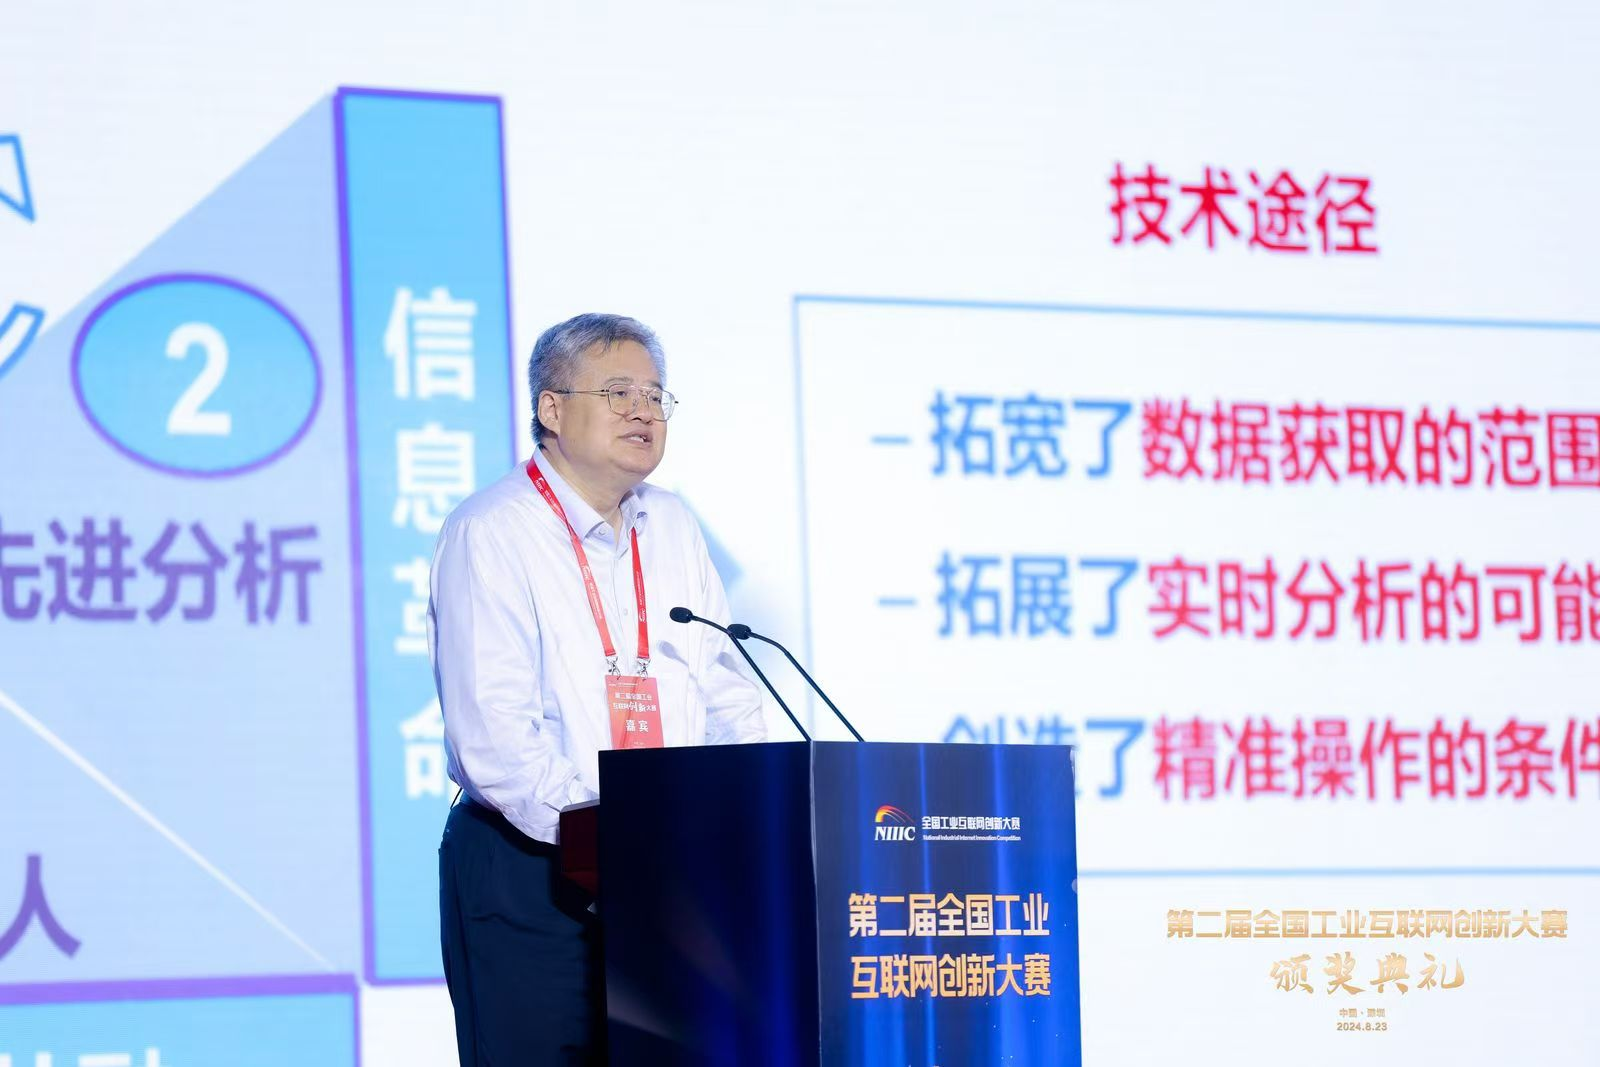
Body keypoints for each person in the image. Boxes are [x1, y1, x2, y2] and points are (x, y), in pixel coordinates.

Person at [428, 313, 766, 1066]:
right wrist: (618, 838)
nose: (643, 411)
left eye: (655, 395)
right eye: (618, 393)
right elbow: (496, 740)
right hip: (535, 867)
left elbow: (724, 691)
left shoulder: (672, 525)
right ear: (551, 409)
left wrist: (746, 802)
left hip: (672, 871)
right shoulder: (492, 531)